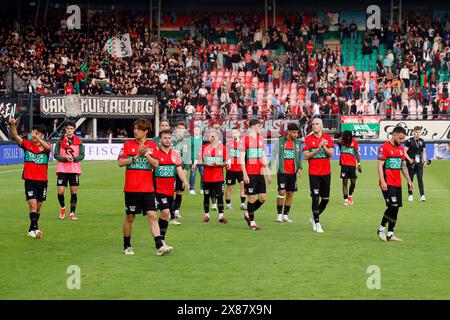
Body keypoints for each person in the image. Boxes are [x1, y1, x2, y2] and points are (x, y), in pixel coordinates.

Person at [118, 118, 172, 256]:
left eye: (139, 129)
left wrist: (146, 154)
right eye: (135, 128)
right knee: (130, 217)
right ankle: (127, 245)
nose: (136, 131)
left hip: (148, 188)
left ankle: (159, 246)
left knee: (153, 215)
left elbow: (155, 164)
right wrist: (136, 157)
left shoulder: (153, 146)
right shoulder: (127, 145)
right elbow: (121, 162)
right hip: (131, 188)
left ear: (146, 131)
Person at [9, 118, 52, 238]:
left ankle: (31, 229)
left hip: (43, 181)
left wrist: (37, 138)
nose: (33, 135)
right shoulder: (27, 145)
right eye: (32, 133)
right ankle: (36, 229)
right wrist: (12, 125)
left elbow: (49, 148)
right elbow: (15, 136)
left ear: (41, 135)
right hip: (30, 180)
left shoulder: (45, 147)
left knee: (38, 207)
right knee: (32, 205)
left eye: (36, 133)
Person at [376, 126, 414, 242]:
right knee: (393, 206)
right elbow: (380, 165)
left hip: (398, 183)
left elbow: (403, 166)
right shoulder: (384, 148)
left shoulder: (401, 149)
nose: (402, 141)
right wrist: (382, 181)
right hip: (388, 183)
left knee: (396, 208)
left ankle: (390, 233)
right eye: (400, 138)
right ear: (394, 135)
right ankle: (381, 229)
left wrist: (409, 180)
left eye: (403, 139)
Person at [153, 130, 190, 246]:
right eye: (165, 138)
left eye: (169, 138)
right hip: (158, 190)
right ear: (160, 140)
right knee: (165, 211)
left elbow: (179, 170)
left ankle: (161, 238)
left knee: (165, 215)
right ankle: (159, 240)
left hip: (170, 190)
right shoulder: (155, 154)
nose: (167, 140)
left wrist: (185, 181)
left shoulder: (175, 155)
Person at [303, 118, 334, 233]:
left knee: (325, 199)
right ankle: (317, 222)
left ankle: (313, 217)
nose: (314, 126)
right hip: (314, 173)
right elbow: (306, 156)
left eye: (317, 124)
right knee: (315, 198)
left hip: (326, 173)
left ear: (321, 126)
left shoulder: (328, 138)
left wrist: (324, 146)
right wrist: (318, 148)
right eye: (313, 124)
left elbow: (331, 153)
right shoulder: (307, 139)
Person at [240, 119, 272, 231]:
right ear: (253, 127)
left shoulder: (261, 139)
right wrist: (244, 174)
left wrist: (268, 172)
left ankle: (248, 214)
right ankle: (252, 222)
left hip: (259, 173)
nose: (260, 128)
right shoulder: (245, 139)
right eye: (259, 126)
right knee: (251, 197)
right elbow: (241, 159)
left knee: (263, 198)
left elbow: (263, 157)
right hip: (250, 173)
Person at [193, 129, 228, 224]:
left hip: (218, 178)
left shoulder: (223, 148)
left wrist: (220, 164)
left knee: (220, 196)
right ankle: (206, 215)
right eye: (210, 136)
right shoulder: (204, 147)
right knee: (206, 196)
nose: (211, 138)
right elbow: (200, 160)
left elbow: (226, 162)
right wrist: (206, 164)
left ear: (218, 137)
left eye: (213, 136)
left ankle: (221, 216)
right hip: (207, 178)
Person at [54, 121, 85, 220]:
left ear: (74, 129)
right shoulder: (60, 141)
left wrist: (74, 159)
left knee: (73, 192)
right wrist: (64, 159)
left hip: (74, 169)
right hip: (62, 168)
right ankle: (63, 207)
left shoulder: (79, 141)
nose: (70, 130)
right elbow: (55, 155)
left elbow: (82, 155)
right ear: (65, 129)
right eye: (68, 128)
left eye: (71, 128)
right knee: (60, 192)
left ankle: (72, 214)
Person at [275, 123, 303, 223]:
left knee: (290, 193)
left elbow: (299, 156)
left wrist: (299, 167)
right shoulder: (281, 141)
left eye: (297, 132)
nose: (296, 134)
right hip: (282, 172)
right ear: (289, 132)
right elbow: (274, 155)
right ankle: (279, 214)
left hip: (292, 173)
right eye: (294, 132)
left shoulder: (298, 143)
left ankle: (285, 215)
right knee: (281, 191)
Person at [171, 122, 191, 224]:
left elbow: (187, 158)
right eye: (179, 128)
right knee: (171, 192)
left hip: (181, 170)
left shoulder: (187, 142)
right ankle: (171, 212)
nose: (180, 130)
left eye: (182, 129)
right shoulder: (171, 141)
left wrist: (186, 170)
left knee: (179, 191)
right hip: (170, 170)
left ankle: (177, 210)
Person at [225, 126, 247, 211]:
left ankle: (242, 204)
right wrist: (227, 161)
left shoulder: (242, 143)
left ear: (239, 134)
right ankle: (228, 204)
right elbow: (226, 154)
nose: (234, 134)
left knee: (243, 185)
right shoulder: (228, 143)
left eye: (235, 133)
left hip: (240, 168)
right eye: (233, 133)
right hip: (230, 169)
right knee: (229, 187)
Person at [337, 130, 361, 206]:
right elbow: (337, 141)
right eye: (346, 137)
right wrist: (343, 135)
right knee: (345, 183)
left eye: (348, 137)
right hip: (344, 165)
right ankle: (346, 199)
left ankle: (350, 196)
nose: (347, 138)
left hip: (352, 165)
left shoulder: (354, 142)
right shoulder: (341, 142)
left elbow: (356, 152)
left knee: (353, 182)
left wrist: (359, 164)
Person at [404, 126, 427, 202]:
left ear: (420, 133)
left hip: (419, 163)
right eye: (416, 132)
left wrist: (425, 161)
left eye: (419, 132)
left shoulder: (422, 141)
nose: (417, 134)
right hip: (410, 163)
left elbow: (424, 151)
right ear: (413, 132)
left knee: (420, 179)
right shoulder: (409, 141)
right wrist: (409, 159)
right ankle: (410, 195)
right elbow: (404, 152)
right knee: (410, 179)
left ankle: (422, 195)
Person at [189, 125, 204, 195]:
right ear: (193, 131)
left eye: (198, 130)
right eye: (195, 130)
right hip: (193, 160)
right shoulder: (190, 139)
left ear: (200, 131)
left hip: (201, 160)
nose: (197, 131)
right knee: (193, 174)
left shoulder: (203, 139)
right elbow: (188, 150)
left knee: (203, 174)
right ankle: (191, 189)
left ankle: (202, 188)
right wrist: (190, 159)